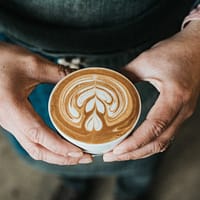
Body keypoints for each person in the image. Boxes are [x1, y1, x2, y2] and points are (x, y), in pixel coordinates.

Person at [0, 1, 200, 200]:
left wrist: (196, 38)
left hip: (152, 44)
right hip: (19, 56)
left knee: (147, 147)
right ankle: (75, 182)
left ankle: (133, 191)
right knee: (61, 150)